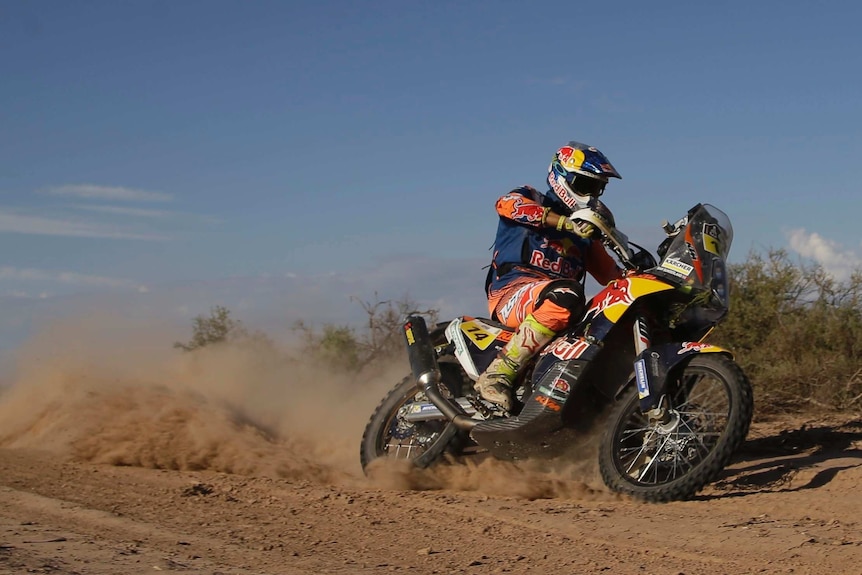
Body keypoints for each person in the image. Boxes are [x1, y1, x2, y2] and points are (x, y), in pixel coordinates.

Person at [475, 141, 625, 411]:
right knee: (566, 294)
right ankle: (497, 374)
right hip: (512, 291)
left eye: (597, 188)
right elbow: (507, 205)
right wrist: (565, 223)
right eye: (585, 185)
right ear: (561, 176)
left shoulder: (585, 233)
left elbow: (613, 277)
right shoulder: (531, 197)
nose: (591, 195)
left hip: (553, 306)